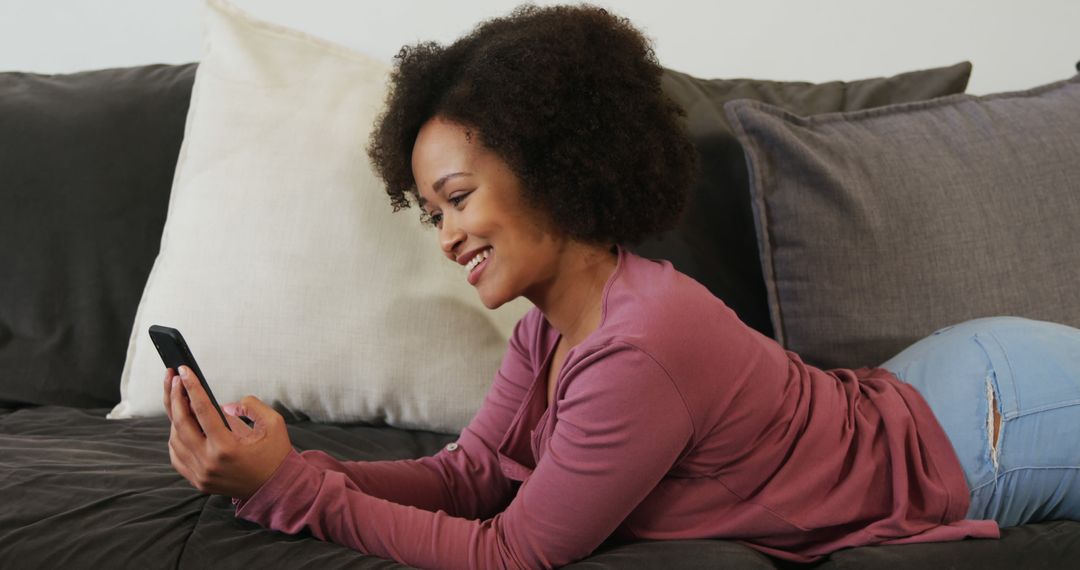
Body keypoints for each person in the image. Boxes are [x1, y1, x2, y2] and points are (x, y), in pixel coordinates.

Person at [163, 4, 1080, 568]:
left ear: (552, 165)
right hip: (932, 387)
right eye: (430, 213)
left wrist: (295, 492)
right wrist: (292, 470)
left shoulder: (638, 343)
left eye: (456, 199)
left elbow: (513, 552)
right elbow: (472, 476)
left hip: (995, 426)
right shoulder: (551, 330)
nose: (445, 236)